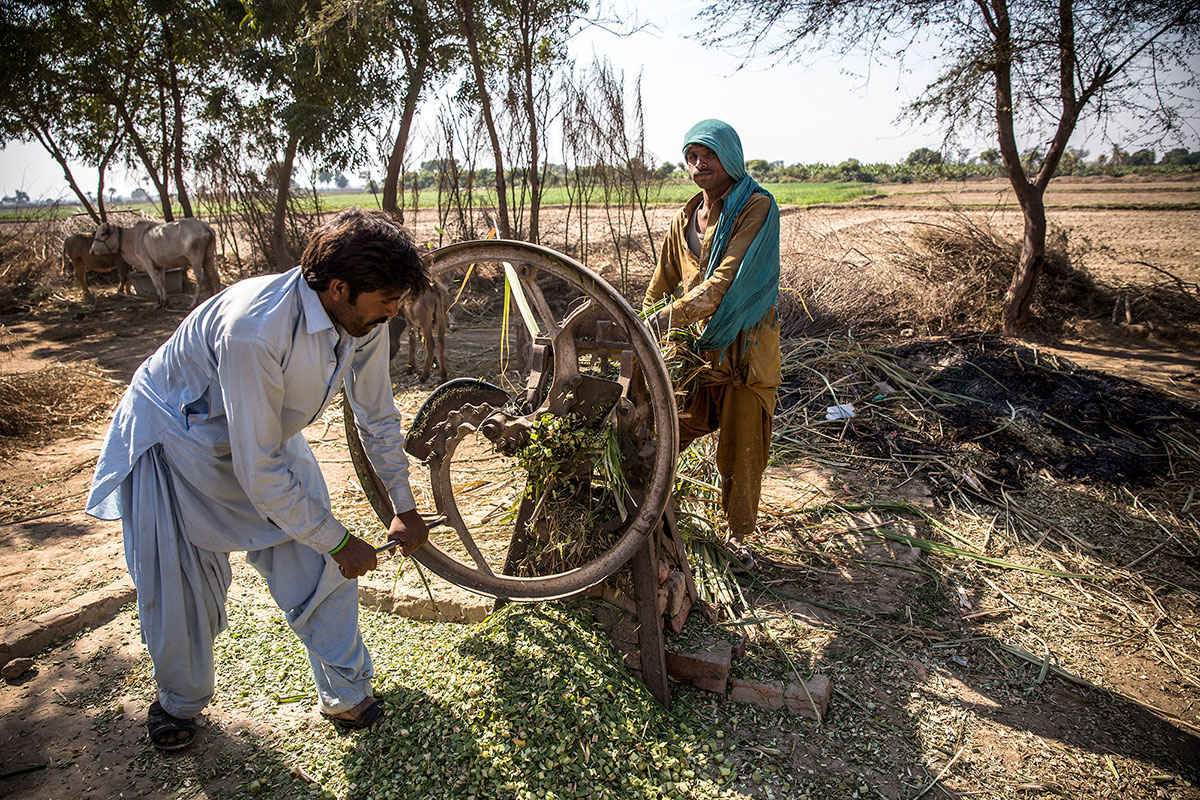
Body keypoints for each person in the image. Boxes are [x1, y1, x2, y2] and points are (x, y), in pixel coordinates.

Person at [85, 208, 432, 750]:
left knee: (316, 565)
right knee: (180, 588)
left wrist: (402, 504)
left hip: (262, 432)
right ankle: (178, 701)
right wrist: (339, 540)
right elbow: (259, 472)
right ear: (339, 288)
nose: (394, 311)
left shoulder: (366, 323)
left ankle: (346, 693)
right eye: (387, 299)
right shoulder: (256, 329)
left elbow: (378, 416)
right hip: (178, 440)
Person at [643, 119, 782, 549]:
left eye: (709, 155)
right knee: (658, 435)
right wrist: (637, 325)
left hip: (744, 355)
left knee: (740, 456)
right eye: (691, 155)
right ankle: (645, 517)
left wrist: (658, 323)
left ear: (731, 158)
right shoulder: (684, 219)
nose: (699, 164)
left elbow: (723, 285)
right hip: (696, 357)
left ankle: (738, 541)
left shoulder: (756, 207)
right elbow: (659, 286)